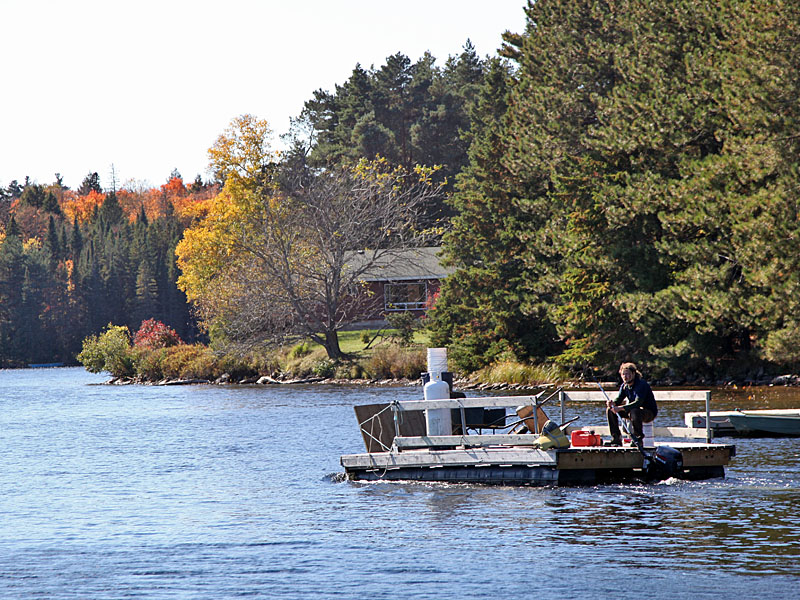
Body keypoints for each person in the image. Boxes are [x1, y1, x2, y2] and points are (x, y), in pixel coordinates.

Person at [604, 362, 657, 447]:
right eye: (623, 374)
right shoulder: (624, 386)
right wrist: (612, 403)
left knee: (635, 411)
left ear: (633, 374)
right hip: (633, 411)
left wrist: (621, 408)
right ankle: (616, 438)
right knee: (610, 411)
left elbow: (638, 402)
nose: (625, 376)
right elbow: (619, 399)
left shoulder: (641, 385)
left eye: (628, 374)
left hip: (648, 412)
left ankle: (637, 439)